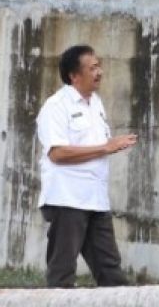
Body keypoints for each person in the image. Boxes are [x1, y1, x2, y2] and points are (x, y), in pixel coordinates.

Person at [35, 45, 138, 288]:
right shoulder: (56, 106)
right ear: (74, 75)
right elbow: (57, 153)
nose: (99, 72)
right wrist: (106, 148)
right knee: (62, 274)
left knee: (112, 273)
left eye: (99, 66)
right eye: (92, 68)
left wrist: (108, 146)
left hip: (96, 200)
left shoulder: (96, 103)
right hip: (67, 199)